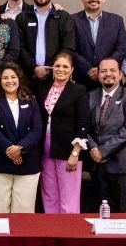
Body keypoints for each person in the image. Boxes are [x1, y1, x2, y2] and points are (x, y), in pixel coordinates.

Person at [0, 63, 43, 213]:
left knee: (24, 215)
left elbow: (37, 129)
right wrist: (10, 149)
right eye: (5, 77)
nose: (10, 81)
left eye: (13, 77)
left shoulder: (31, 100)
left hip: (27, 164)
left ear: (20, 79)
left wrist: (20, 149)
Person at [33, 51, 89, 214]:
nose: (61, 69)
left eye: (65, 66)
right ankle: (53, 232)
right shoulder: (42, 89)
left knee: (69, 199)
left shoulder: (78, 90)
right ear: (52, 68)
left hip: (68, 151)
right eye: (57, 65)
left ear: (72, 70)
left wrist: (76, 152)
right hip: (46, 150)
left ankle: (68, 234)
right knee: (49, 195)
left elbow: (84, 122)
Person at [85, 58, 126, 213]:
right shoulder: (90, 96)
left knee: (124, 211)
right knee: (103, 211)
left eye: (112, 70)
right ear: (98, 75)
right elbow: (83, 127)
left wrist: (103, 151)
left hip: (123, 164)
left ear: (120, 73)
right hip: (97, 164)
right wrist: (95, 148)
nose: (108, 74)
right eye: (103, 71)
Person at [17, 0, 76, 86]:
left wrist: (50, 68)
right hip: (28, 77)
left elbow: (68, 47)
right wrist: (34, 68)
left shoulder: (63, 17)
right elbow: (19, 47)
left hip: (56, 77)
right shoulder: (22, 18)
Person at [72, 0, 126, 90]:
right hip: (81, 81)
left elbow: (122, 48)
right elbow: (70, 49)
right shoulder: (71, 20)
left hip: (110, 81)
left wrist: (103, 69)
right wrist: (88, 69)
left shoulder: (116, 21)